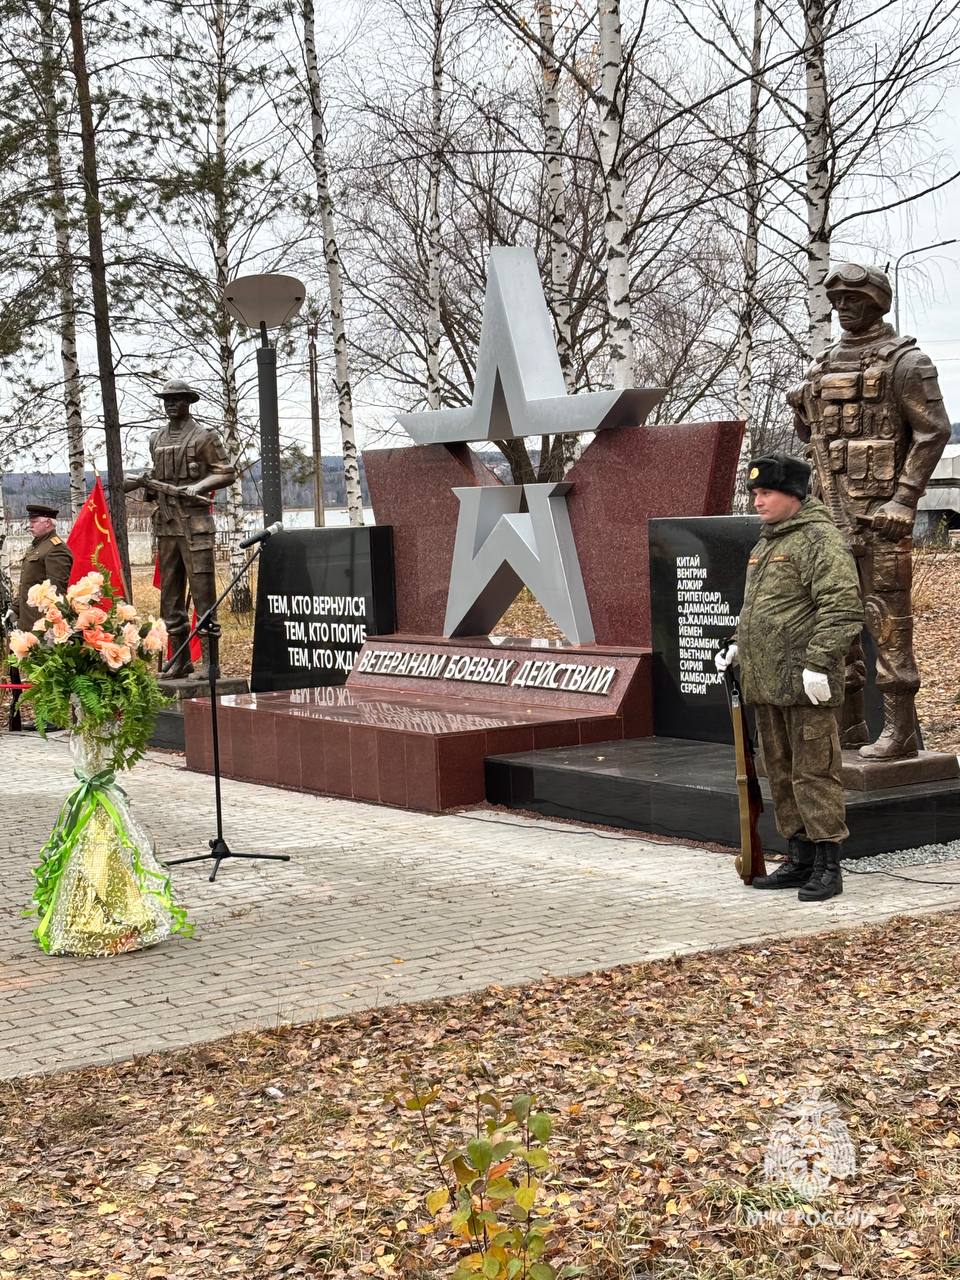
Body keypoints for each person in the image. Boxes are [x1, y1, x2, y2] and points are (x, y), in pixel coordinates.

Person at [787, 263, 952, 759]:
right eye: (836, 300)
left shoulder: (907, 362)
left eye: (853, 299)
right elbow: (814, 437)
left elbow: (933, 432)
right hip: (827, 515)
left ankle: (900, 731)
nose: (842, 308)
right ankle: (850, 723)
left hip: (880, 518)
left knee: (885, 619)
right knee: (834, 620)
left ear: (877, 301)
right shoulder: (822, 364)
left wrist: (904, 497)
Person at [715, 452, 864, 901]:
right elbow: (762, 612)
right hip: (768, 684)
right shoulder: (767, 543)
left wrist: (819, 663)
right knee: (780, 772)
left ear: (794, 495)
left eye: (766, 493)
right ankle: (799, 859)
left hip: (806, 685)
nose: (757, 502)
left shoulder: (820, 540)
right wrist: (741, 646)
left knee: (815, 773)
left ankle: (827, 865)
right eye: (755, 494)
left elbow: (842, 607)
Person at [124, 379, 236, 677]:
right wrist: (148, 486)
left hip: (196, 526)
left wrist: (198, 486)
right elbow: (154, 479)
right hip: (167, 525)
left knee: (203, 595)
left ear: (189, 401)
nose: (171, 404)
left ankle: (211, 664)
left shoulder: (204, 437)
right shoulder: (156, 439)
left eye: (177, 399)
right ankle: (180, 660)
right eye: (167, 400)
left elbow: (226, 472)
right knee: (170, 597)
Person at [16, 504, 74, 629]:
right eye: (30, 521)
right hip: (27, 621)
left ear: (47, 523)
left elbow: (57, 592)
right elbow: (28, 584)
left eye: (34, 521)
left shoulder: (56, 549)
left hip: (41, 625)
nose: (30, 525)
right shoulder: (37, 546)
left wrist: (49, 626)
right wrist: (15, 608)